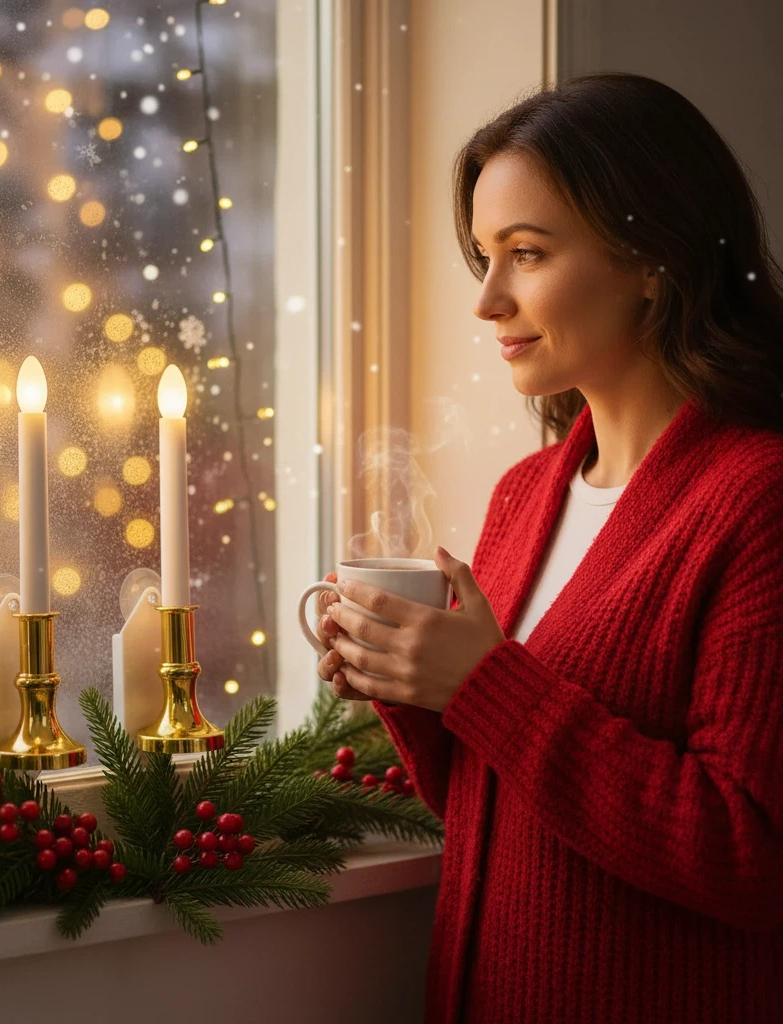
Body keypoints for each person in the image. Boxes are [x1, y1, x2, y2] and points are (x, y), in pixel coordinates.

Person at [313, 71, 783, 1024]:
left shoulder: (759, 501)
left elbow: (748, 855)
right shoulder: (525, 496)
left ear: (654, 257)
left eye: (525, 254)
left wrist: (483, 685)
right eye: (484, 257)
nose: (488, 301)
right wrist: (413, 686)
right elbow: (503, 808)